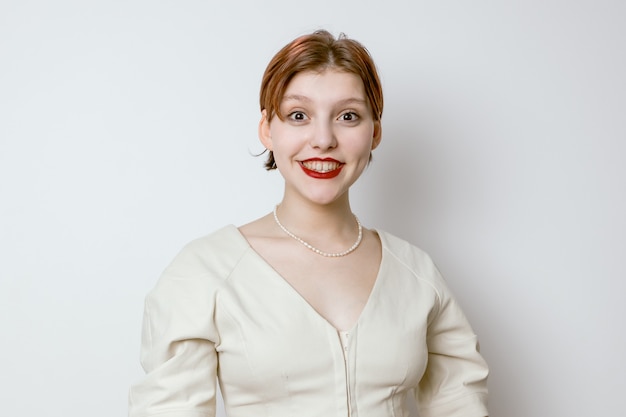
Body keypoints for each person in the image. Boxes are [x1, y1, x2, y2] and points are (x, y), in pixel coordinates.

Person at [128, 30, 489, 417]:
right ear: (268, 128)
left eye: (348, 116)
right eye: (298, 115)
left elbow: (460, 403)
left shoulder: (416, 273)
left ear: (375, 131)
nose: (323, 139)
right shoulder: (206, 271)